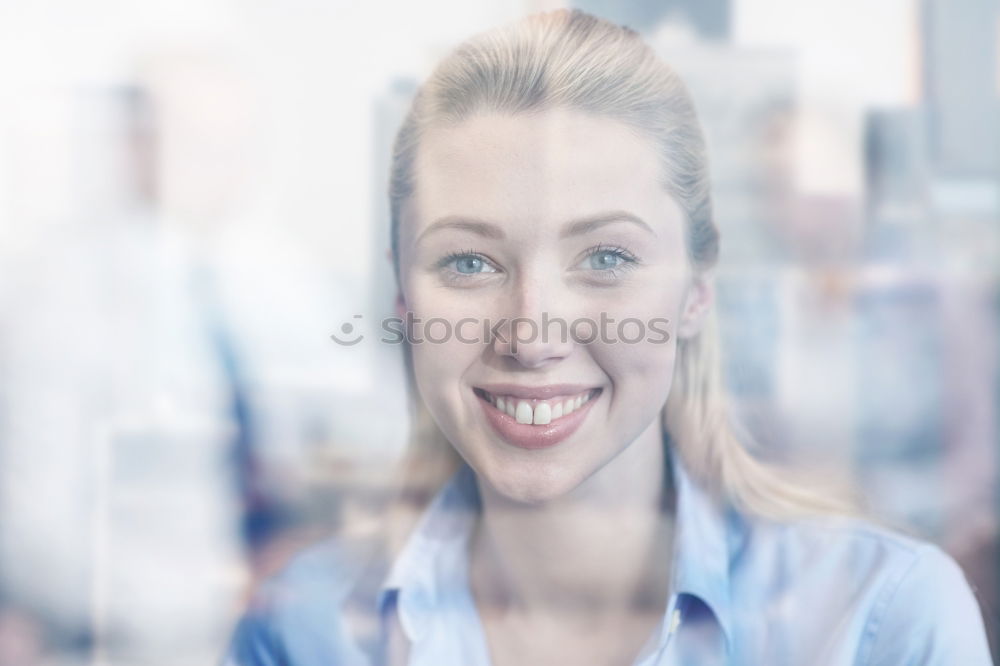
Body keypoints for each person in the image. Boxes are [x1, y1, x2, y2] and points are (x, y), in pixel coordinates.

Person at [222, 10, 993, 665]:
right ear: (401, 295)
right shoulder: (304, 631)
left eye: (606, 257)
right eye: (468, 261)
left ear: (695, 291)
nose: (531, 334)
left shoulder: (880, 622)